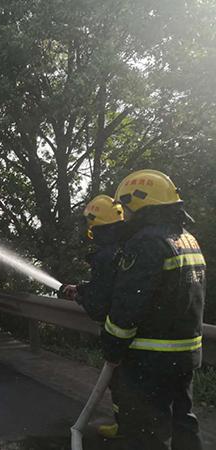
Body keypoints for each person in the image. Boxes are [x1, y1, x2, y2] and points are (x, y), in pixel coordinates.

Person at [101, 169, 205, 450]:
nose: (126, 217)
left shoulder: (146, 243)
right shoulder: (187, 239)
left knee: (146, 432)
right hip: (185, 355)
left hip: (151, 360)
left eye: (127, 209)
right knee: (183, 422)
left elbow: (128, 305)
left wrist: (113, 348)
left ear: (138, 204)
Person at [61, 194, 128, 438]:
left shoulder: (104, 254)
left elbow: (100, 303)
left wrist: (80, 297)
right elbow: (110, 285)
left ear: (96, 226)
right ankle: (126, 426)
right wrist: (82, 288)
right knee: (130, 385)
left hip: (121, 330)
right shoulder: (129, 246)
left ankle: (126, 429)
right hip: (140, 328)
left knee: (121, 382)